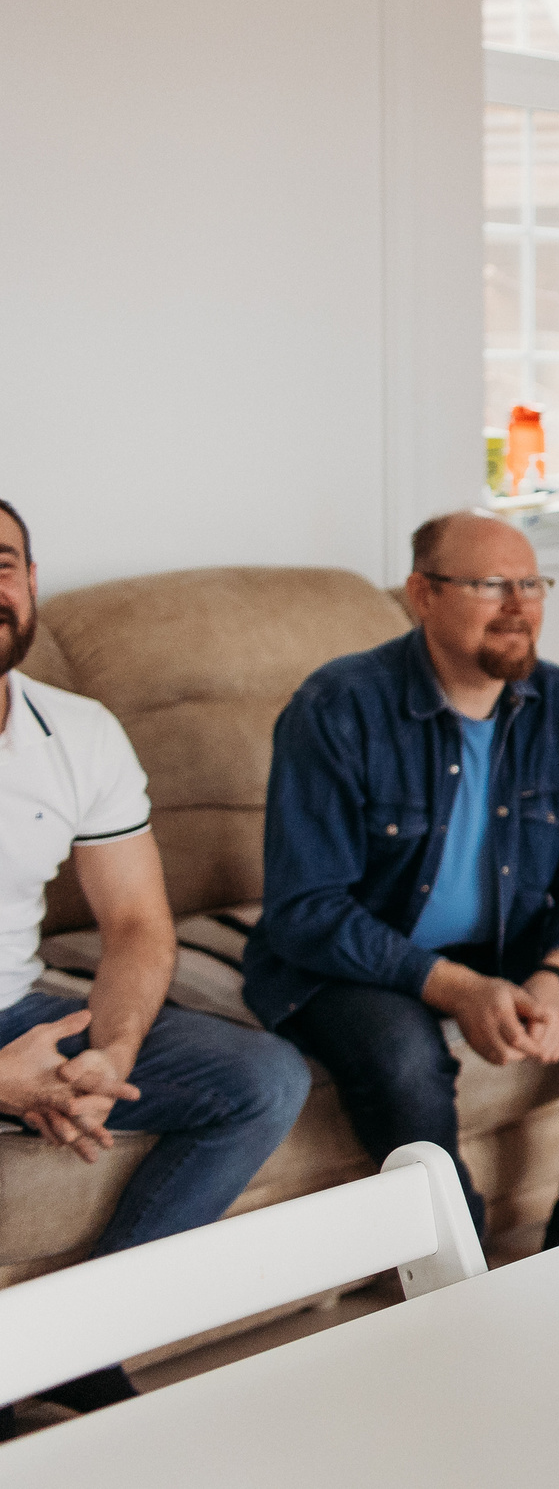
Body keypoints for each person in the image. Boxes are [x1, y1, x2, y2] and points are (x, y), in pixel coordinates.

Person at [245, 512, 559, 1249]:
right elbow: (307, 910)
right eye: (491, 585)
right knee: (403, 1060)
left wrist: (557, 971)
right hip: (357, 963)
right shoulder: (337, 707)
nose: (519, 605)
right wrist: (457, 988)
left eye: (531, 583)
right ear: (422, 593)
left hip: (509, 940)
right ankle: (457, 1266)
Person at [0, 496, 309, 1430]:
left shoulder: (75, 731)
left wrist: (114, 1053)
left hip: (18, 1006)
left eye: (1, 563)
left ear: (30, 582)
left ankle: (76, 1344)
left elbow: (135, 921)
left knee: (260, 1078)